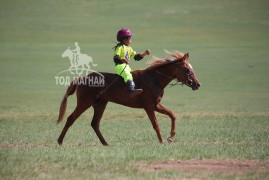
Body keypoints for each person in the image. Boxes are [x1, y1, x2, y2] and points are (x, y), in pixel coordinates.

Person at [113, 28, 151, 97]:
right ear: (124, 39)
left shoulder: (129, 48)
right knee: (127, 75)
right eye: (129, 39)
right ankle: (131, 90)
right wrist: (122, 59)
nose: (131, 41)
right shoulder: (120, 47)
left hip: (127, 67)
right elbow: (116, 57)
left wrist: (144, 54)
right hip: (120, 66)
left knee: (135, 75)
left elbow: (136, 57)